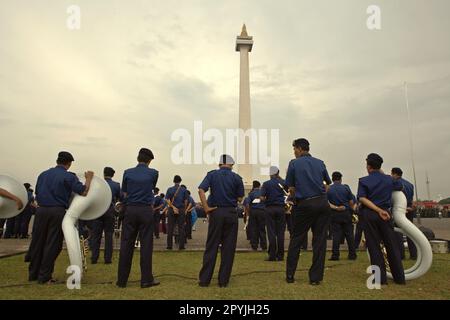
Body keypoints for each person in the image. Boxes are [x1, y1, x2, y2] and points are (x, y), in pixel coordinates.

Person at [29, 151, 93, 284]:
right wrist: (88, 179)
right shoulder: (68, 176)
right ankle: (45, 276)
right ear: (69, 164)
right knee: (52, 244)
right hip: (57, 210)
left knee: (37, 242)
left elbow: (37, 192)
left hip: (40, 211)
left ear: (57, 161)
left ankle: (33, 273)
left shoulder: (43, 174)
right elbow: (84, 191)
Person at [285, 138, 332, 285]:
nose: (294, 152)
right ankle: (316, 278)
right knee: (319, 241)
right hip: (322, 203)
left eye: (294, 149)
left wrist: (293, 196)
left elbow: (290, 187)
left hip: (305, 204)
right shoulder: (320, 162)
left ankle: (290, 275)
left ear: (299, 149)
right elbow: (327, 184)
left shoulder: (294, 163)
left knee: (297, 239)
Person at [357, 153, 405, 285]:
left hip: (370, 214)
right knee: (392, 245)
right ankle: (400, 278)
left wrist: (377, 210)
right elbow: (400, 186)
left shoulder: (363, 180)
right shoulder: (389, 179)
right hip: (386, 214)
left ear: (369, 166)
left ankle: (379, 279)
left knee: (374, 246)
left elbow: (362, 198)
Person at [198, 154, 244, 287]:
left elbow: (201, 190)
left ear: (219, 164)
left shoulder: (212, 175)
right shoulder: (236, 177)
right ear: (231, 165)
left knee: (212, 246)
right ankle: (223, 281)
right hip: (231, 213)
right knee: (228, 248)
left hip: (216, 212)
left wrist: (206, 207)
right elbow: (240, 198)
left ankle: (204, 280)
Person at [117, 148, 160, 288]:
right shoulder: (153, 173)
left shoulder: (127, 173)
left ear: (137, 158)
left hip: (130, 210)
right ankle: (146, 279)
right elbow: (152, 188)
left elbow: (125, 192)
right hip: (146, 210)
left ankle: (122, 280)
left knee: (126, 244)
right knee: (146, 246)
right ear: (149, 161)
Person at [90, 167, 121, 265]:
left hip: (98, 210)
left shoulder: (98, 184)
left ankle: (94, 258)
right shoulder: (116, 185)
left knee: (96, 236)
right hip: (109, 211)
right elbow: (121, 198)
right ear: (113, 175)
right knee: (108, 236)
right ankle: (108, 259)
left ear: (103, 174)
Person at [327, 171, 357, 261]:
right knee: (349, 235)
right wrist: (351, 210)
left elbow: (327, 203)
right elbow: (351, 201)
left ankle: (335, 255)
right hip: (346, 213)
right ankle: (352, 254)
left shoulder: (329, 189)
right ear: (341, 179)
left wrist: (336, 207)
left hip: (335, 214)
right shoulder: (346, 188)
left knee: (336, 235)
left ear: (332, 179)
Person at [260, 166, 287, 261]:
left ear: (270, 173)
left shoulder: (266, 184)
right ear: (278, 173)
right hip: (281, 208)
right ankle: (280, 255)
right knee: (280, 233)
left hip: (270, 208)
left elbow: (262, 197)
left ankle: (272, 255)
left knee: (271, 233)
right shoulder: (283, 183)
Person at [391, 167, 417, 260]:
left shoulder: (397, 184)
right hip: (409, 210)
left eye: (391, 174)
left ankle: (401, 255)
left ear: (395, 174)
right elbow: (411, 199)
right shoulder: (410, 184)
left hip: (400, 210)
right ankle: (413, 254)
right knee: (410, 232)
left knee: (398, 233)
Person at [165, 176, 189, 250]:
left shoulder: (169, 189)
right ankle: (181, 246)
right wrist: (183, 209)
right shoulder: (183, 190)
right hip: (181, 209)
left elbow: (167, 199)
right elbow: (186, 201)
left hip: (172, 209)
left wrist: (173, 207)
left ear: (173, 181)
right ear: (180, 181)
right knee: (181, 228)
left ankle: (169, 246)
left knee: (170, 228)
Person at [248, 180, 267, 251]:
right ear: (259, 185)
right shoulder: (262, 192)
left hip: (253, 211)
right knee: (262, 229)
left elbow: (247, 203)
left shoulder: (251, 193)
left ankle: (254, 246)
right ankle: (264, 246)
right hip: (262, 211)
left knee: (253, 229)